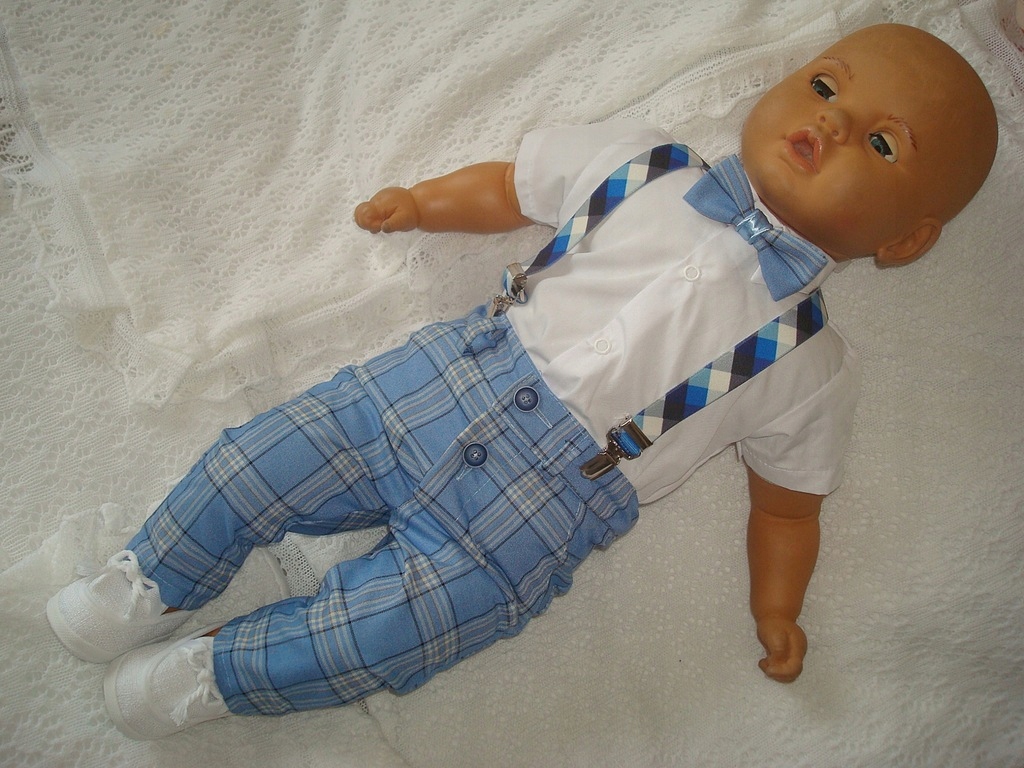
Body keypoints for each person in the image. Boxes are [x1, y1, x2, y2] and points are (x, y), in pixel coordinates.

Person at [46, 23, 997, 740]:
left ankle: (219, 674)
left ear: (905, 242)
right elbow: (511, 187)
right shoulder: (646, 163)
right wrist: (424, 202)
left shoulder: (811, 364)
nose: (832, 121)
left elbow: (788, 507)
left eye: (882, 145)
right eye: (825, 86)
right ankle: (148, 579)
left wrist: (777, 606)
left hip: (532, 519)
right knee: (257, 460)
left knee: (385, 637)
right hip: (426, 390)